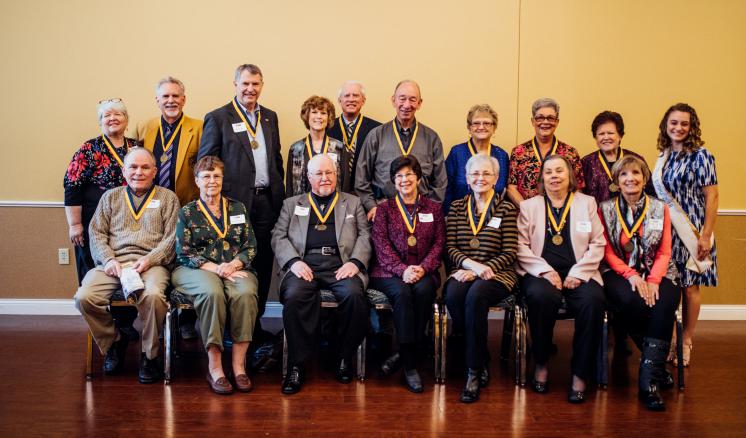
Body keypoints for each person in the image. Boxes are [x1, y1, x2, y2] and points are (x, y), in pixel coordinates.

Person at [73, 148, 180, 384]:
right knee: (84, 297)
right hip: (114, 264)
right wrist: (109, 259)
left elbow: (172, 238)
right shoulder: (110, 197)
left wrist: (150, 260)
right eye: (132, 167)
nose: (138, 172)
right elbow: (97, 233)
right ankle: (114, 340)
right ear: (124, 170)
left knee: (153, 296)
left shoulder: (167, 198)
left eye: (144, 167)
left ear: (154, 171)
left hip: (152, 264)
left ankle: (149, 355)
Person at [198, 63, 285, 343]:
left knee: (261, 263)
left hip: (266, 204)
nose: (250, 89)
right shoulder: (218, 118)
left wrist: (279, 195)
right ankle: (228, 330)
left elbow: (276, 160)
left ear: (262, 86)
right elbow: (206, 163)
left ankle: (254, 326)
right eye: (245, 83)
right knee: (232, 264)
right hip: (231, 206)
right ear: (235, 84)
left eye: (256, 84)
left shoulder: (270, 118)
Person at [271, 154, 371, 395]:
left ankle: (343, 357)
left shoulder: (353, 203)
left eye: (330, 173)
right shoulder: (292, 204)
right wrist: (293, 261)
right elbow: (277, 235)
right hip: (304, 264)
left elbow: (365, 235)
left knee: (355, 297)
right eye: (319, 174)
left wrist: (356, 262)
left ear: (337, 175)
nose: (325, 178)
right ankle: (297, 364)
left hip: (341, 264)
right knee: (295, 297)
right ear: (309, 178)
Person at [516, 154, 606, 404]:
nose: (554, 176)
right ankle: (542, 362)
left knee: (593, 302)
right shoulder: (529, 206)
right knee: (540, 297)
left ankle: (580, 373)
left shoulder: (586, 203)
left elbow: (598, 243)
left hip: (580, 271)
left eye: (559, 171)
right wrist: (544, 271)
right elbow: (520, 246)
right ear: (542, 178)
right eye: (549, 172)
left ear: (570, 176)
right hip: (541, 272)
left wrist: (578, 273)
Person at [172, 156, 259, 395]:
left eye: (217, 176)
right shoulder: (187, 212)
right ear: (197, 181)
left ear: (223, 179)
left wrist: (233, 265)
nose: (212, 180)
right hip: (195, 270)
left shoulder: (238, 207)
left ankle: (239, 367)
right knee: (212, 293)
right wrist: (216, 269)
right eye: (206, 176)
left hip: (235, 268)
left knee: (246, 293)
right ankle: (215, 368)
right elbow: (183, 252)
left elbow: (250, 245)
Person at [599, 155, 680, 411]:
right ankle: (656, 367)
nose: (630, 178)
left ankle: (648, 383)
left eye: (635, 173)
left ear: (644, 179)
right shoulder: (605, 208)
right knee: (629, 300)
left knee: (663, 304)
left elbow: (665, 251)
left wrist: (654, 280)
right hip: (619, 271)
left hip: (659, 271)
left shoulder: (659, 208)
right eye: (624, 174)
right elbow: (608, 251)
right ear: (616, 181)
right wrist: (631, 275)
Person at [444, 154, 518, 403]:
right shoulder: (455, 207)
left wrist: (482, 269)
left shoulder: (506, 208)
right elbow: (450, 248)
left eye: (486, 173)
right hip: (464, 270)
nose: (480, 178)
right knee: (453, 294)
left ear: (496, 179)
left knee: (476, 296)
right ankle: (481, 354)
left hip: (497, 274)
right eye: (475, 173)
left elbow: (510, 252)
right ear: (466, 178)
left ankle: (473, 371)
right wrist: (471, 266)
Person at [369, 155, 445, 393]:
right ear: (394, 180)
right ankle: (411, 366)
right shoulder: (384, 209)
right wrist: (403, 271)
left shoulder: (433, 208)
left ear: (419, 178)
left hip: (424, 270)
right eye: (399, 176)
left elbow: (439, 243)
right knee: (402, 293)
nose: (404, 180)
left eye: (409, 174)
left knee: (423, 290)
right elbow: (381, 246)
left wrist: (422, 268)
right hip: (388, 272)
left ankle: (403, 354)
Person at [651, 103, 718, 367]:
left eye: (684, 124)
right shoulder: (663, 156)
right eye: (673, 123)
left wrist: (706, 235)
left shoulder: (702, 155)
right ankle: (669, 339)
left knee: (690, 287)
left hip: (692, 230)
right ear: (666, 125)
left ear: (692, 127)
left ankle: (686, 340)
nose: (678, 128)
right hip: (668, 230)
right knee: (670, 286)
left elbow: (712, 196)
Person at [138, 76, 203, 340]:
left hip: (187, 206)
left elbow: (204, 167)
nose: (171, 101)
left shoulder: (198, 127)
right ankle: (161, 317)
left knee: (186, 261)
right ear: (157, 101)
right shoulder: (147, 127)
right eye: (165, 97)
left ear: (184, 99)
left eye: (176, 96)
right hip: (154, 208)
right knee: (160, 260)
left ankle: (186, 319)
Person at [64, 98, 140, 283]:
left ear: (126, 120)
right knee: (94, 267)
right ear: (100, 122)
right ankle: (93, 308)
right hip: (94, 219)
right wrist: (75, 225)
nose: (112, 118)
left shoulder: (136, 147)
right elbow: (72, 185)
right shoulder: (90, 148)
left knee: (123, 265)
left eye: (118, 114)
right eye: (107, 115)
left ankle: (124, 310)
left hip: (127, 221)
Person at [356, 80, 447, 221]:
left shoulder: (431, 138)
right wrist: (372, 206)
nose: (406, 105)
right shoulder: (376, 136)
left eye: (412, 99)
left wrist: (430, 210)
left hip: (420, 214)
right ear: (393, 101)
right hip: (384, 211)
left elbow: (440, 182)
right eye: (402, 98)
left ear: (419, 103)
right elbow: (361, 179)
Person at [507, 98, 584, 205]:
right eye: (540, 118)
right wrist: (527, 210)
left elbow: (578, 188)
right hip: (527, 217)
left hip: (561, 216)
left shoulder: (570, 153)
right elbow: (511, 188)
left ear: (557, 122)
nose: (545, 122)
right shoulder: (519, 152)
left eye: (550, 118)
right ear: (533, 121)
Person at [444, 104, 509, 213]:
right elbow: (447, 189)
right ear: (469, 128)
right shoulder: (457, 153)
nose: (481, 127)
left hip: (494, 217)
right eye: (476, 123)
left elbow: (504, 191)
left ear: (494, 128)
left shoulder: (502, 155)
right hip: (460, 218)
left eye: (487, 123)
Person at [286, 96, 351, 197]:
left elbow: (345, 184)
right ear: (307, 116)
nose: (319, 116)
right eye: (314, 112)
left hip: (334, 206)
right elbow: (290, 186)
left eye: (323, 113)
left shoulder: (339, 147)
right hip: (303, 206)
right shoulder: (295, 149)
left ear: (329, 117)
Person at [581, 110, 651, 204]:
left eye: (610, 133)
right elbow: (581, 197)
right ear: (596, 138)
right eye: (601, 134)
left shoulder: (636, 160)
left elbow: (650, 192)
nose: (606, 137)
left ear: (620, 136)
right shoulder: (586, 163)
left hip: (633, 216)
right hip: (598, 216)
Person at [327, 81, 382, 184]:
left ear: (363, 101)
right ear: (340, 100)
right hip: (335, 191)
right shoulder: (328, 128)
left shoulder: (377, 129)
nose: (351, 99)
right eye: (347, 95)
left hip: (365, 191)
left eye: (355, 95)